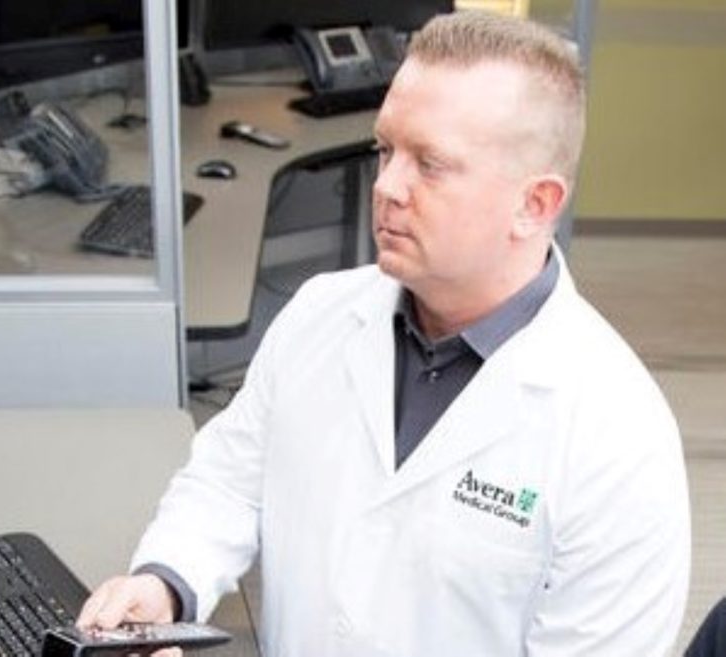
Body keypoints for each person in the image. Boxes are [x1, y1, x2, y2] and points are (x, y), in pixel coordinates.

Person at [78, 12, 690, 656]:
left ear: (534, 204)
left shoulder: (617, 438)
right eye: (386, 150)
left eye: (431, 163)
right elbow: (227, 483)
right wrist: (167, 583)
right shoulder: (321, 314)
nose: (388, 185)